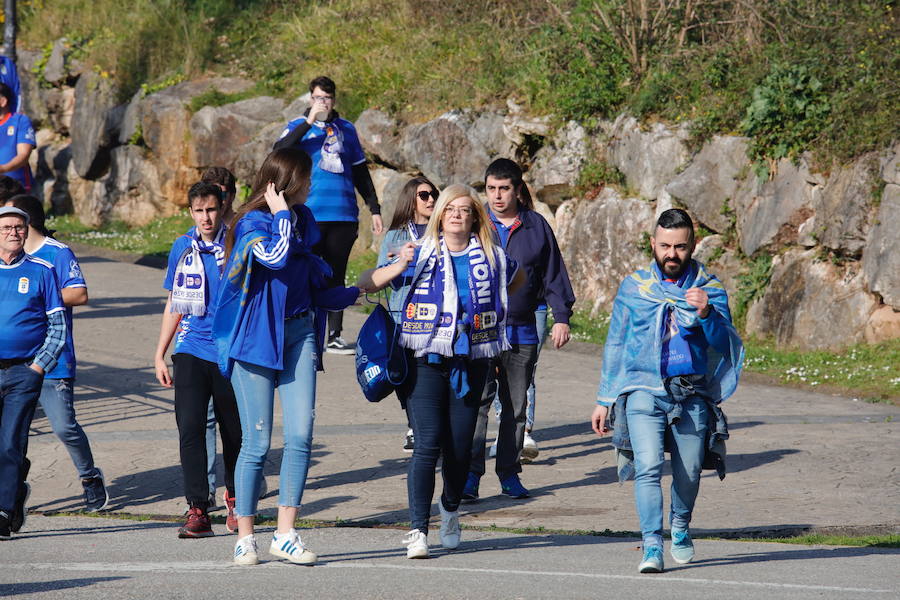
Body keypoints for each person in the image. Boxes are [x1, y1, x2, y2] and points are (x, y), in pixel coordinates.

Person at [359, 184, 525, 559]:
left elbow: (516, 280)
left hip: (473, 358)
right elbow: (365, 283)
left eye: (465, 210)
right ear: (439, 216)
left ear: (474, 218)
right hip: (424, 356)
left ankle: (450, 510)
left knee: (460, 448)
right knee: (426, 442)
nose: (456, 215)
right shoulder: (421, 252)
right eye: (450, 208)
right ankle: (418, 529)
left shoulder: (492, 256)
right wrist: (400, 263)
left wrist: (492, 315)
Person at [214, 147, 359, 566]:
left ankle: (285, 534)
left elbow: (313, 281)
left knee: (300, 436)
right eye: (307, 178)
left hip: (299, 333)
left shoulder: (304, 221)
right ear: (286, 182)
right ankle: (245, 536)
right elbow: (275, 259)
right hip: (256, 340)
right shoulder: (252, 223)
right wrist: (280, 214)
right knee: (257, 442)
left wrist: (361, 288)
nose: (313, 185)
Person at [590, 209, 744, 574]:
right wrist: (603, 398)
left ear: (691, 246)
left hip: (691, 391)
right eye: (665, 246)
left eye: (679, 247)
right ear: (652, 244)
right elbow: (616, 342)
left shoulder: (709, 286)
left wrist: (707, 315)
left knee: (689, 470)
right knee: (647, 468)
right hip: (643, 389)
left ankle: (679, 524)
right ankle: (651, 545)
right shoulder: (635, 287)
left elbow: (725, 345)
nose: (671, 254)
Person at [464, 159, 575, 501]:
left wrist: (561, 317)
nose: (497, 196)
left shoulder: (536, 226)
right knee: (477, 403)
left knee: (515, 406)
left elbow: (553, 273)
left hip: (523, 328)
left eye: (504, 189)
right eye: (491, 189)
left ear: (517, 189)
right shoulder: (473, 221)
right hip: (480, 330)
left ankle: (510, 474)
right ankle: (469, 476)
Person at [5, 195, 109, 521]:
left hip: (52, 361)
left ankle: (90, 476)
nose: (9, 228)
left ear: (28, 222)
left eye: (15, 222)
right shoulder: (6, 258)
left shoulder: (57, 253)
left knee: (63, 426)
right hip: (13, 366)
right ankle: (12, 492)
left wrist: (35, 297)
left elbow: (79, 293)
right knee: (11, 436)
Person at [153, 182, 243, 538]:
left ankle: (236, 499)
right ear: (190, 212)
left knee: (234, 432)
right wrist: (159, 353)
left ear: (221, 209)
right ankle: (197, 508)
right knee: (190, 428)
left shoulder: (236, 240)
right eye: (198, 211)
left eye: (211, 210)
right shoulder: (182, 246)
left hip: (231, 350)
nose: (205, 218)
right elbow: (176, 301)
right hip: (191, 348)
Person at [274, 75, 382, 354]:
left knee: (336, 273)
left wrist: (375, 208)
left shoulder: (346, 128)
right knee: (305, 270)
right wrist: (310, 121)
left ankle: (334, 334)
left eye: (328, 98)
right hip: (309, 212)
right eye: (318, 97)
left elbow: (360, 171)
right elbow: (279, 152)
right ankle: (305, 325)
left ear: (334, 100)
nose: (323, 102)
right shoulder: (298, 126)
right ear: (310, 99)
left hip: (344, 214)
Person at [0, 206, 66, 539]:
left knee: (10, 443)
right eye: (7, 227)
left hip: (23, 372)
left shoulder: (42, 271)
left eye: (19, 228)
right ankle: (12, 495)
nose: (14, 232)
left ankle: (2, 510)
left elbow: (58, 325)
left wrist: (38, 366)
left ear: (27, 232)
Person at [375, 176, 439, 452]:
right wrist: (400, 259)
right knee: (406, 376)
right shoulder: (395, 236)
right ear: (410, 199)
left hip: (436, 317)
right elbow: (379, 275)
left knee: (431, 375)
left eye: (434, 194)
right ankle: (414, 425)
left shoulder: (442, 232)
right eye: (424, 195)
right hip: (403, 317)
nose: (431, 199)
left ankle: (430, 428)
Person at [0, 83, 35, 192]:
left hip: (16, 188)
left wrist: (3, 169)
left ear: (3, 101)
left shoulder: (20, 121)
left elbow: (23, 155)